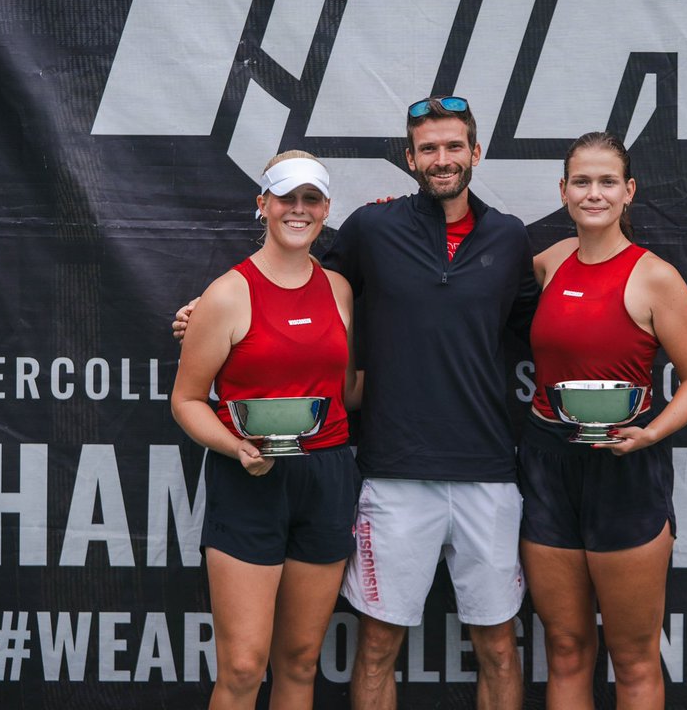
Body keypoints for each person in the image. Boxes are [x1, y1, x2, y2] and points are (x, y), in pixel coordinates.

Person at [175, 96, 539, 710]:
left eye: (454, 146)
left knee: (496, 649)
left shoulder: (508, 238)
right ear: (410, 159)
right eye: (429, 148)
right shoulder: (373, 230)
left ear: (476, 153)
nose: (442, 159)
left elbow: (546, 324)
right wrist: (205, 313)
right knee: (350, 653)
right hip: (387, 469)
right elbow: (290, 279)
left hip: (480, 469)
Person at [520, 131, 687, 709]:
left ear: (629, 192)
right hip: (547, 463)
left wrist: (649, 433)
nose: (594, 194)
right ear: (563, 190)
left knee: (632, 658)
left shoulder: (654, 277)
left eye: (607, 182)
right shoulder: (549, 263)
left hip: (624, 464)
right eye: (582, 182)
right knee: (566, 647)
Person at [171, 151, 360, 710]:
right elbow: (185, 400)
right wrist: (235, 445)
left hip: (326, 478)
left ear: (326, 209)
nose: (298, 210)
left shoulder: (340, 290)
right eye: (286, 198)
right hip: (248, 479)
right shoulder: (228, 293)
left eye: (311, 199)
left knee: (301, 662)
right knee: (244, 667)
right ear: (263, 205)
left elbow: (348, 391)